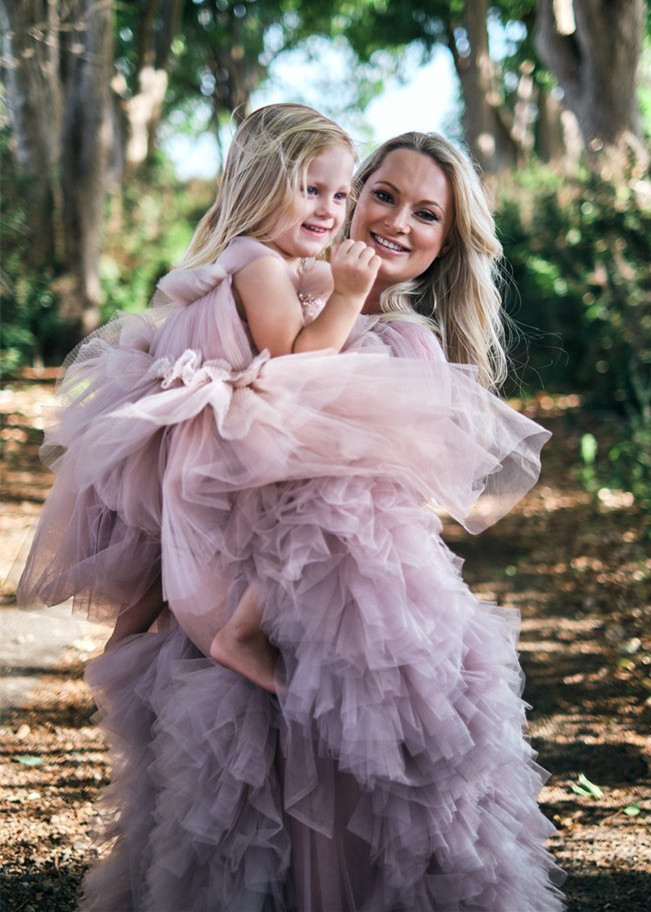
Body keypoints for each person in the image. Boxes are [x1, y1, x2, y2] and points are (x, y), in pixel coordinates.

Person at [18, 111, 565, 910]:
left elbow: (350, 489)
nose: (392, 222)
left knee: (362, 770)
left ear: (447, 241)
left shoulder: (397, 342)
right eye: (379, 195)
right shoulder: (290, 284)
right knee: (239, 802)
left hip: (344, 609)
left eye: (426, 215)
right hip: (230, 585)